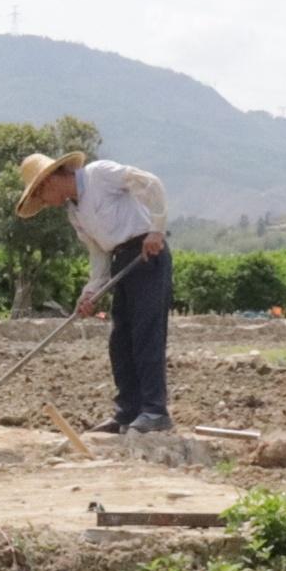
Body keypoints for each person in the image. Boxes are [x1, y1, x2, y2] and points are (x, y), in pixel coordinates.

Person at [15, 149, 173, 434]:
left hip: (147, 253)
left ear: (49, 182)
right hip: (122, 260)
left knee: (146, 334)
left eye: (41, 197)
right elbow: (99, 253)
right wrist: (91, 292)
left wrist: (156, 230)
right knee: (120, 340)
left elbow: (150, 183)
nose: (46, 204)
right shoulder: (75, 213)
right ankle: (127, 412)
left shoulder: (99, 175)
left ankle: (154, 410)